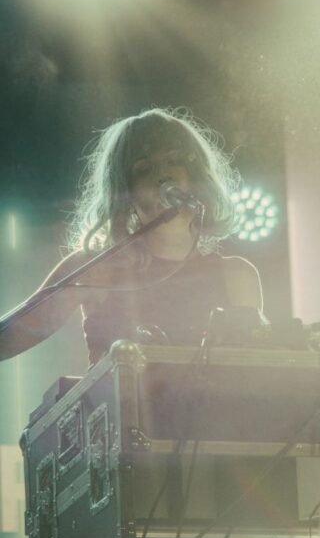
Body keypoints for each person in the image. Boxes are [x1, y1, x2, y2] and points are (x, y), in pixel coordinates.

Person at [0, 108, 263, 365]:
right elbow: (9, 338)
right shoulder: (95, 269)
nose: (163, 176)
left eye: (174, 161)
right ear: (126, 194)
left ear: (196, 177)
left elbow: (255, 376)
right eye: (144, 169)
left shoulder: (237, 275)